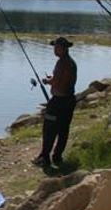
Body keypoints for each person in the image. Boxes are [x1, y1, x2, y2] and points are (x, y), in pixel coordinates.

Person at [33, 37, 78, 167]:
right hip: (69, 101)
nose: (55, 49)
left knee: (49, 128)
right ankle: (57, 157)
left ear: (64, 49)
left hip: (58, 102)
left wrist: (47, 81)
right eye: (54, 47)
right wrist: (52, 79)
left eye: (57, 47)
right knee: (63, 129)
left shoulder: (62, 63)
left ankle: (45, 158)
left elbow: (57, 81)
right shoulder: (70, 62)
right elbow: (61, 78)